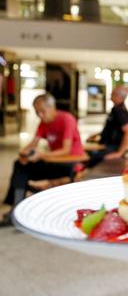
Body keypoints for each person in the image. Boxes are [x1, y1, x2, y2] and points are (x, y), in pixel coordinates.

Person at [2, 93, 85, 225]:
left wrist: (41, 155)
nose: (40, 115)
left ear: (52, 108)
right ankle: (16, 208)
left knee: (23, 171)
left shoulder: (66, 119)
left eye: (42, 111)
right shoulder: (43, 122)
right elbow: (33, 143)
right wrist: (24, 153)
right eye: (37, 112)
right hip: (53, 162)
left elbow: (66, 150)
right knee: (20, 165)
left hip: (71, 163)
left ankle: (16, 210)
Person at [87, 86, 128, 168]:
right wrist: (97, 135)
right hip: (106, 145)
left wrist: (119, 153)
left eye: (113, 94)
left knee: (90, 158)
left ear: (120, 96)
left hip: (112, 148)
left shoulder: (120, 111)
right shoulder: (115, 109)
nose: (110, 95)